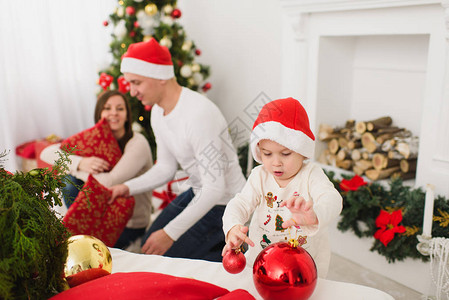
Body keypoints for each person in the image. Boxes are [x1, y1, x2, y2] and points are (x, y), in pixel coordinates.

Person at [109, 38, 246, 262]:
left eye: (136, 83)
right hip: (198, 191)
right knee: (148, 245)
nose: (132, 92)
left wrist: (170, 234)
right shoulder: (157, 112)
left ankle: (232, 248)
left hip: (225, 202)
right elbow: (165, 167)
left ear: (160, 77)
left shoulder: (198, 113)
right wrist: (126, 187)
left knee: (162, 254)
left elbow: (215, 187)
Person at [222, 97, 343, 278]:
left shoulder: (311, 175)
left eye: (286, 154)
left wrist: (314, 215)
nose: (276, 163)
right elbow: (239, 204)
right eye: (267, 154)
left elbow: (332, 199)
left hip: (303, 267)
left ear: (302, 151)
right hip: (262, 261)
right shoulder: (260, 175)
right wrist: (233, 227)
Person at [40, 90, 153, 250]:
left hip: (130, 223)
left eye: (120, 109)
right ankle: (81, 232)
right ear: (99, 113)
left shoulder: (137, 143)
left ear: (127, 115)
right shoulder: (95, 139)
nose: (114, 113)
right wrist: (81, 162)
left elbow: (110, 181)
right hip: (99, 212)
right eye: (107, 108)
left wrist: (76, 169)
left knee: (70, 176)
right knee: (68, 181)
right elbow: (47, 152)